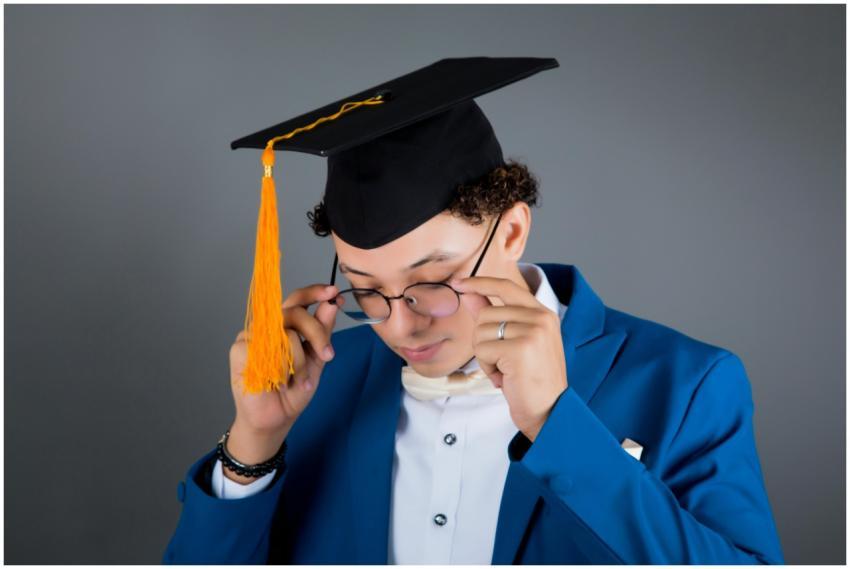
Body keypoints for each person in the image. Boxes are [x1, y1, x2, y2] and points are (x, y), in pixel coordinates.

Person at [162, 57, 785, 564]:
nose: (400, 325)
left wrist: (555, 423)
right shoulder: (318, 379)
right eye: (365, 290)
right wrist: (254, 444)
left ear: (511, 233)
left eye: (432, 281)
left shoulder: (688, 382)